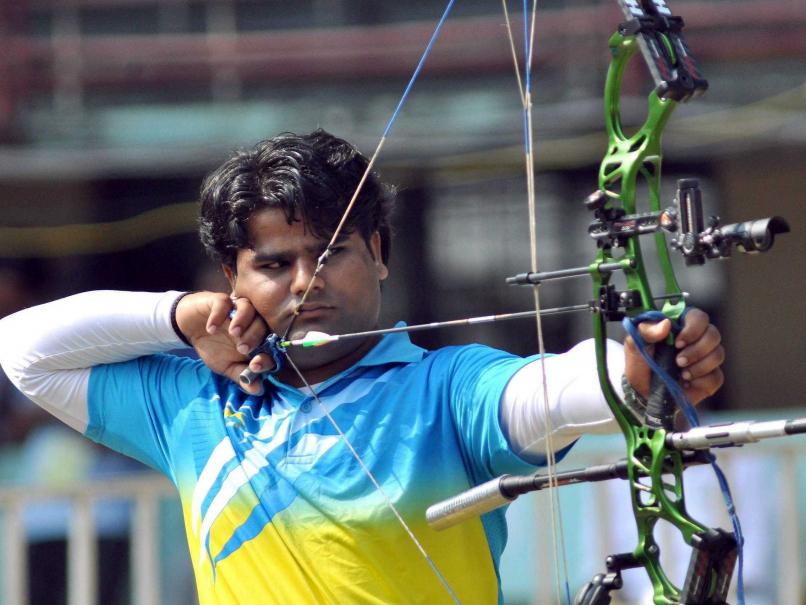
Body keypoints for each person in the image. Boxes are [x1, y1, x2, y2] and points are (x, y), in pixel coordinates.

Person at [0, 130, 724, 604]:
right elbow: (22, 350)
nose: (307, 281)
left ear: (378, 252)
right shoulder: (195, 403)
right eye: (276, 264)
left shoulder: (447, 391)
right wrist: (184, 318)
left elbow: (554, 389)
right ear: (234, 276)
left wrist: (639, 367)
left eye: (333, 252)